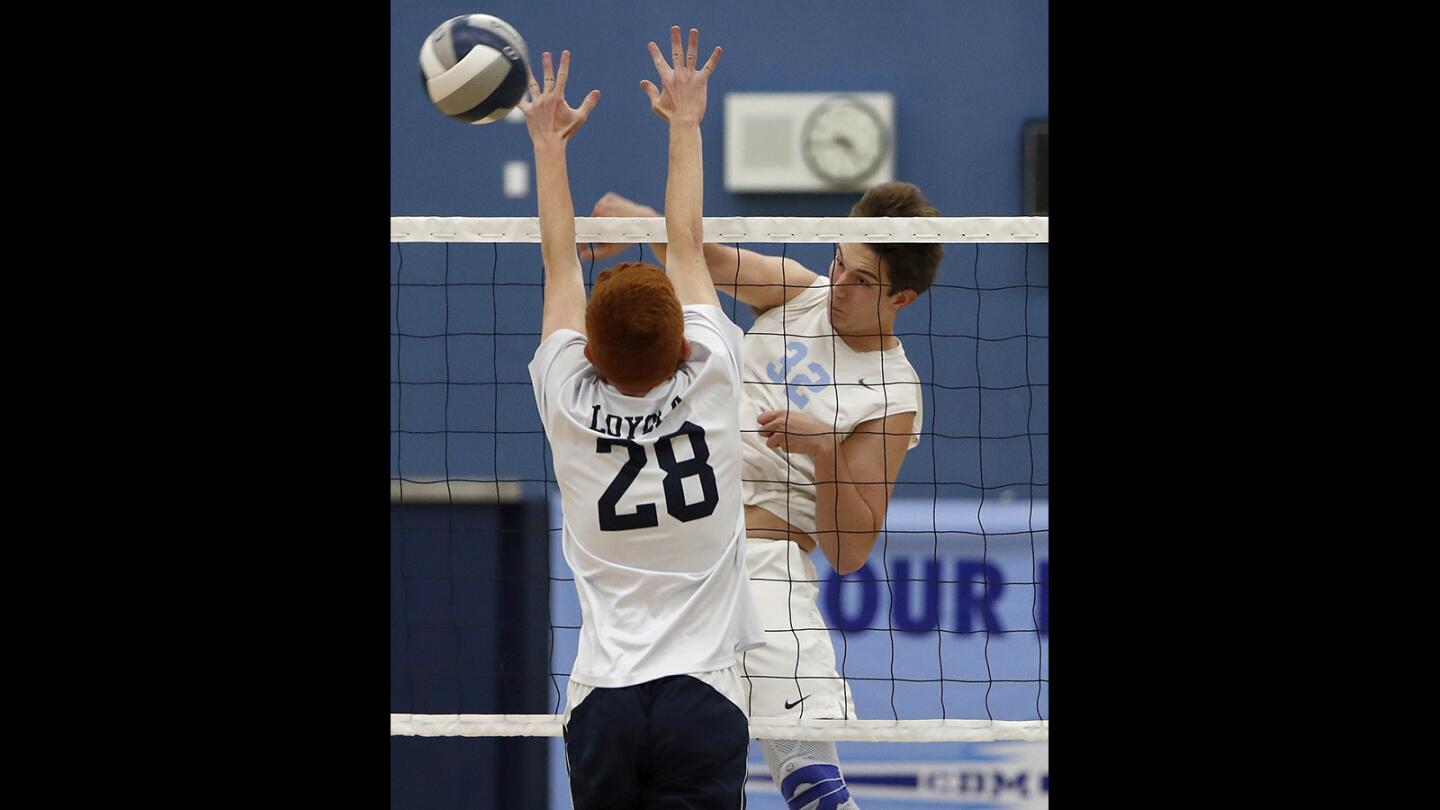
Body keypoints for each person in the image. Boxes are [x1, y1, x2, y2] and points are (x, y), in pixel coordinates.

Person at [580, 181, 944, 808]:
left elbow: (851, 549)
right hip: (683, 553)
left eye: (860, 281)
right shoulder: (801, 292)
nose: (839, 286)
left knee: (811, 783)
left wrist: (826, 450)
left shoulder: (893, 396)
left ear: (901, 298)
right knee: (648, 770)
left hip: (766, 570)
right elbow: (701, 255)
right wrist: (634, 221)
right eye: (839, 261)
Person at [521, 27, 764, 809]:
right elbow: (685, 245)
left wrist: (548, 145)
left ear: (588, 346)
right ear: (681, 337)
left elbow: (562, 263)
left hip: (607, 700)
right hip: (704, 695)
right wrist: (685, 122)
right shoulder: (717, 374)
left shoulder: (567, 394)